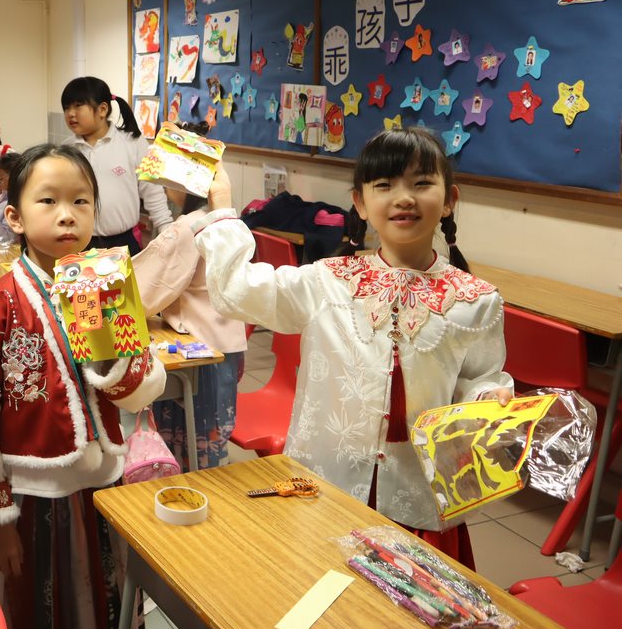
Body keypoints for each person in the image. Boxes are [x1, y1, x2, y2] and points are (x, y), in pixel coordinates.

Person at [194, 127, 512, 568]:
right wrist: (222, 206)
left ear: (449, 199)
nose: (404, 198)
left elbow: (480, 377)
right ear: (360, 203)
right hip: (326, 484)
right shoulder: (327, 281)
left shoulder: (477, 300)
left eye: (422, 183)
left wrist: (488, 397)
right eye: (384, 185)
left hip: (419, 496)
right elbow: (237, 291)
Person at [0, 144, 166, 629]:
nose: (67, 214)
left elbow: (140, 393)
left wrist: (111, 346)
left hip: (102, 486)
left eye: (81, 201)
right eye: (48, 201)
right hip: (27, 497)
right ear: (15, 217)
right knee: (34, 609)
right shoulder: (0, 304)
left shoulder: (106, 289)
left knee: (104, 603)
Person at [132, 123, 246, 471]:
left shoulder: (187, 227)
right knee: (212, 436)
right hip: (227, 342)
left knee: (193, 439)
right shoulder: (226, 219)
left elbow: (145, 289)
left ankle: (190, 490)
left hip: (199, 349)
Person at [62, 76, 172, 254]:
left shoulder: (132, 142)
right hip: (79, 244)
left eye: (78, 105)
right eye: (67, 107)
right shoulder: (66, 150)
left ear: (102, 109)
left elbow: (152, 190)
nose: (70, 113)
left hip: (124, 243)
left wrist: (166, 228)